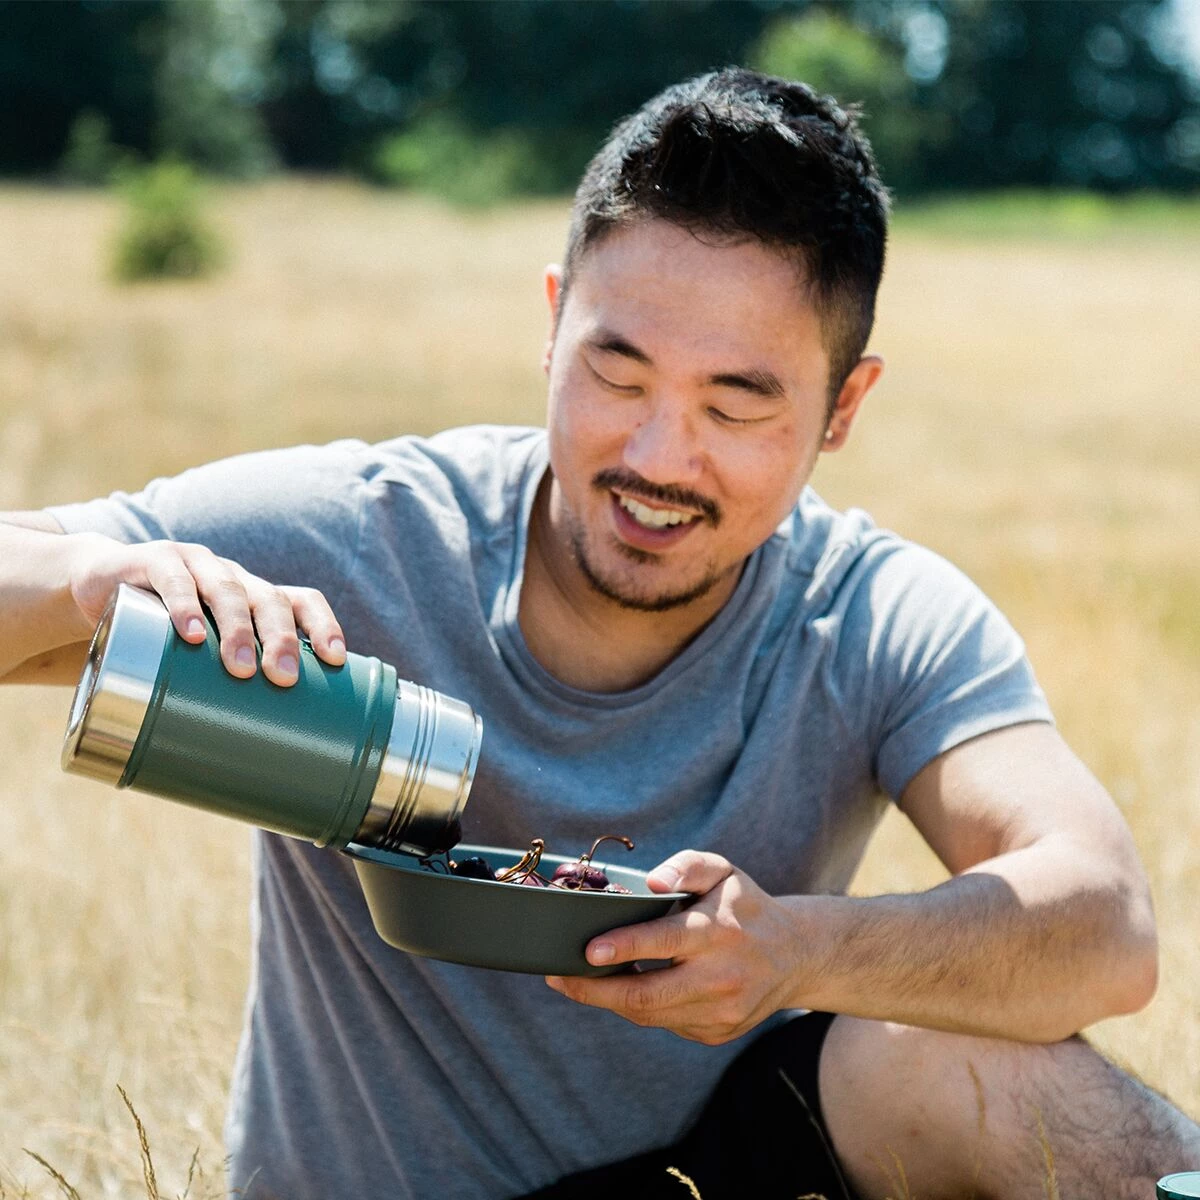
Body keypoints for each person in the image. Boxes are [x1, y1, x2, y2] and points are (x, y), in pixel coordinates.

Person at [1, 68, 1197, 1200]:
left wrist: (796, 952)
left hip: (698, 1175)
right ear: (555, 319)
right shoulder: (361, 535)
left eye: (736, 404)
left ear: (844, 407)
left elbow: (1105, 924)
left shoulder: (873, 613)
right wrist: (92, 581)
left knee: (1007, 1075)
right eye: (617, 374)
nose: (658, 459)